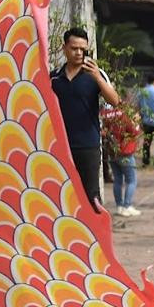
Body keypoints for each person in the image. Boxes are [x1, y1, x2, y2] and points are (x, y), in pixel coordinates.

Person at [49, 28, 120, 209]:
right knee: (61, 195)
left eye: (83, 49)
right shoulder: (54, 77)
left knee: (91, 197)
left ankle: (95, 235)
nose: (79, 52)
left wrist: (97, 76)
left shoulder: (95, 74)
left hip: (87, 145)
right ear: (64, 48)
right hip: (59, 146)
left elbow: (115, 100)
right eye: (74, 48)